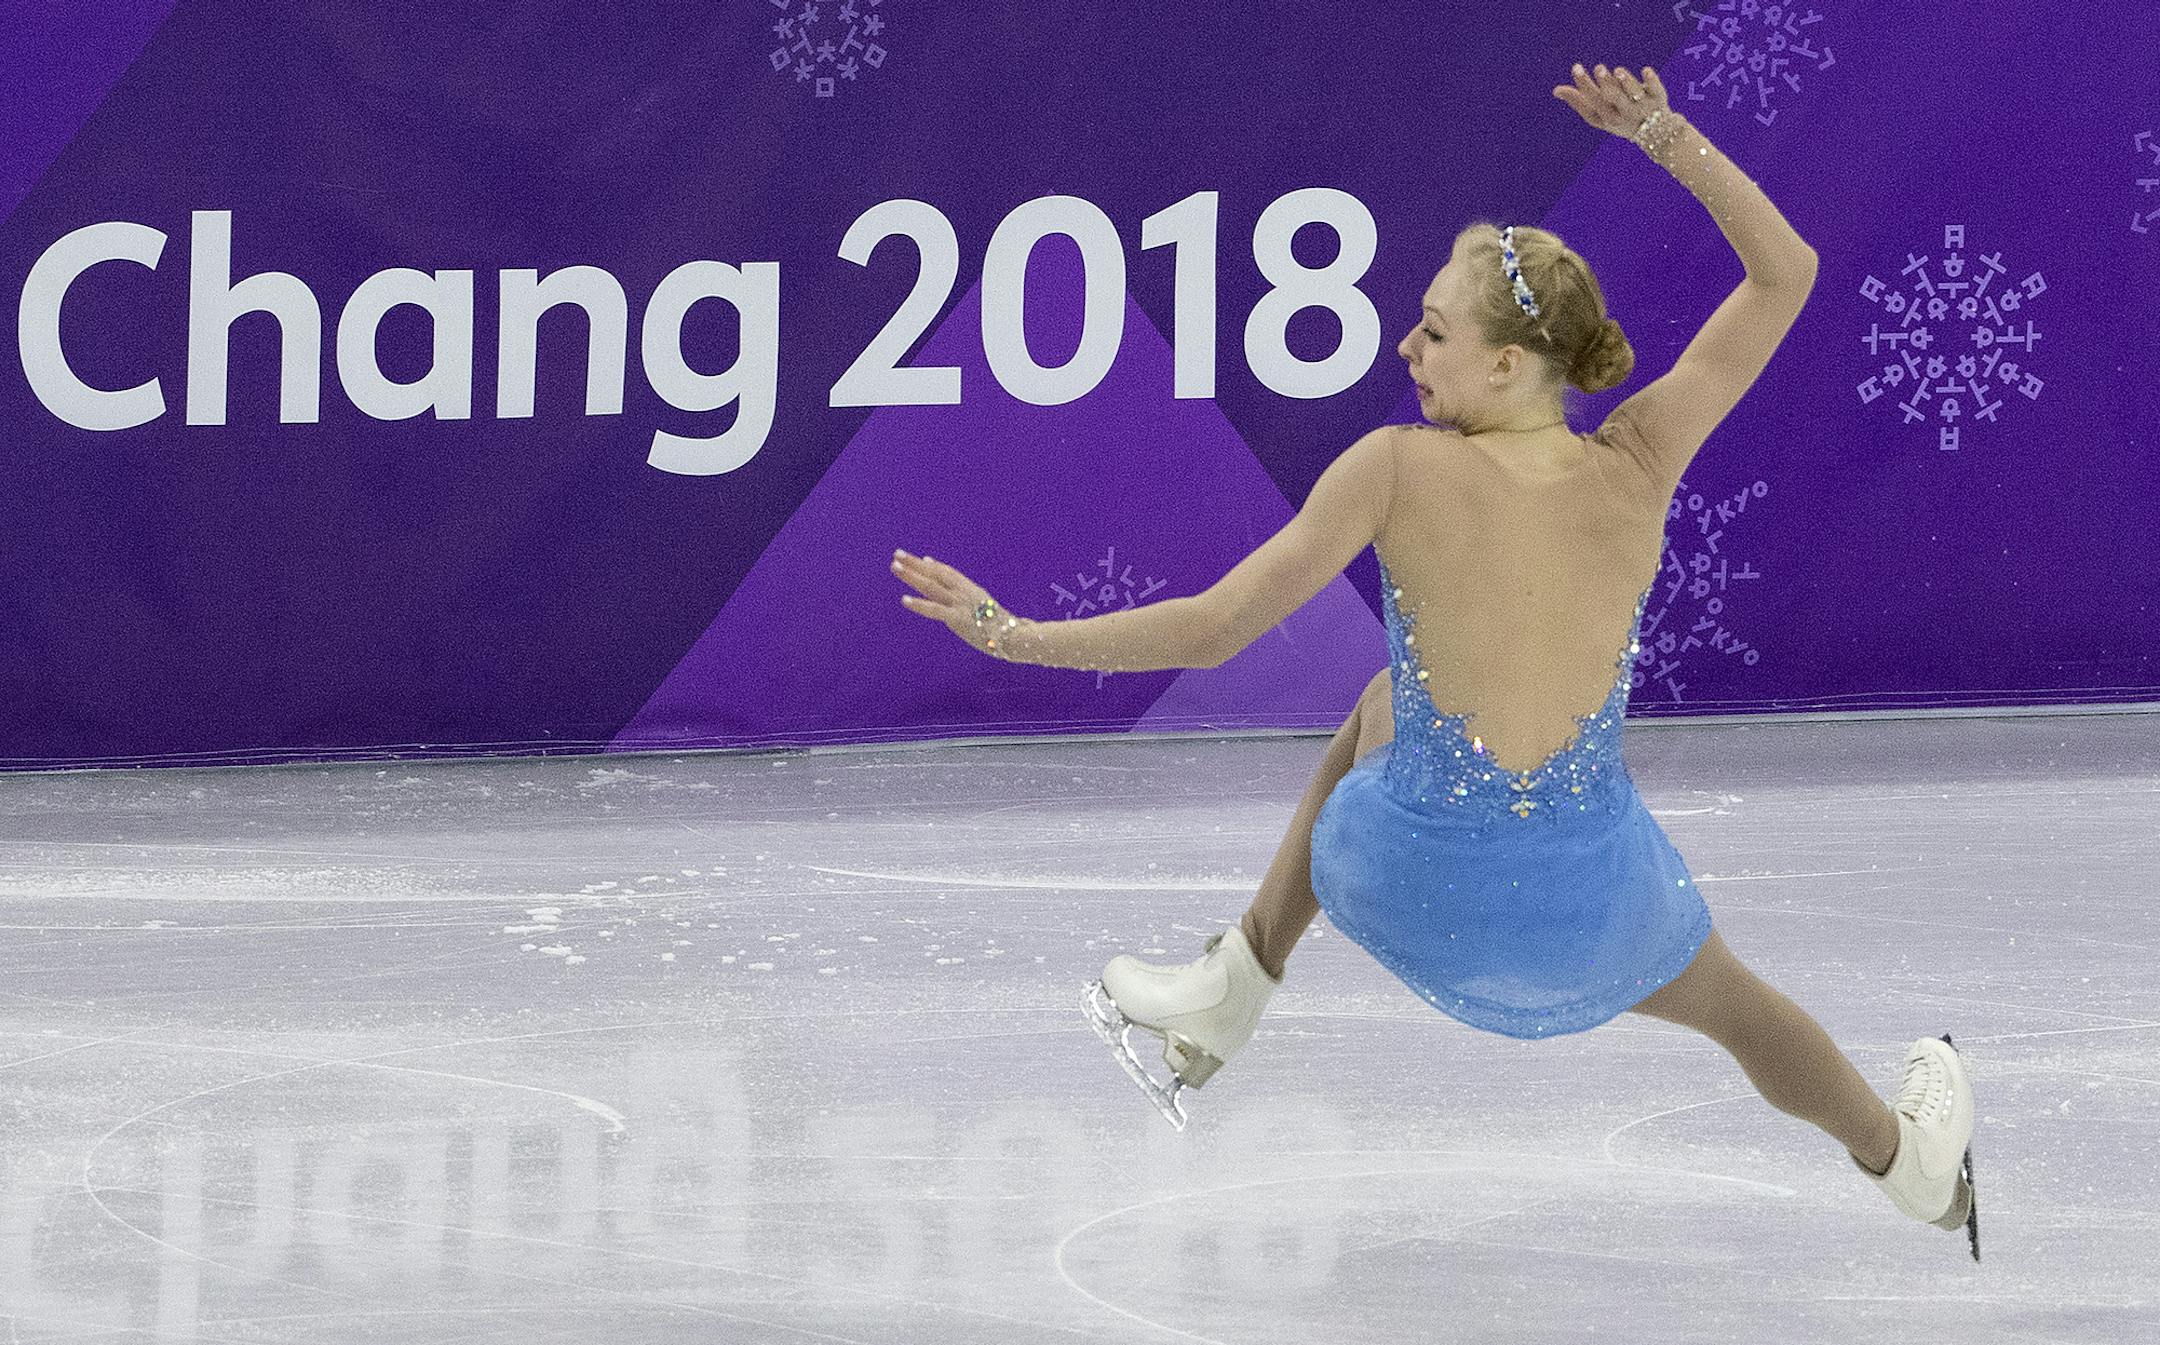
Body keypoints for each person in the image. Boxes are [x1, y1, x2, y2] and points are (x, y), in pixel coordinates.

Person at [890, 62, 1977, 1259]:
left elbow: (1212, 629)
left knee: (1381, 701)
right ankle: (1908, 1165)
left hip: (1398, 880)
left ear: (1508, 365)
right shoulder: (1640, 461)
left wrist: (1009, 634)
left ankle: (1243, 973)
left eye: (1435, 330)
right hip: (1590, 911)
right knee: (1742, 1013)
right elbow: (1789, 274)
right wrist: (1663, 134)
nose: (1406, 345)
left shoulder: (1395, 468)